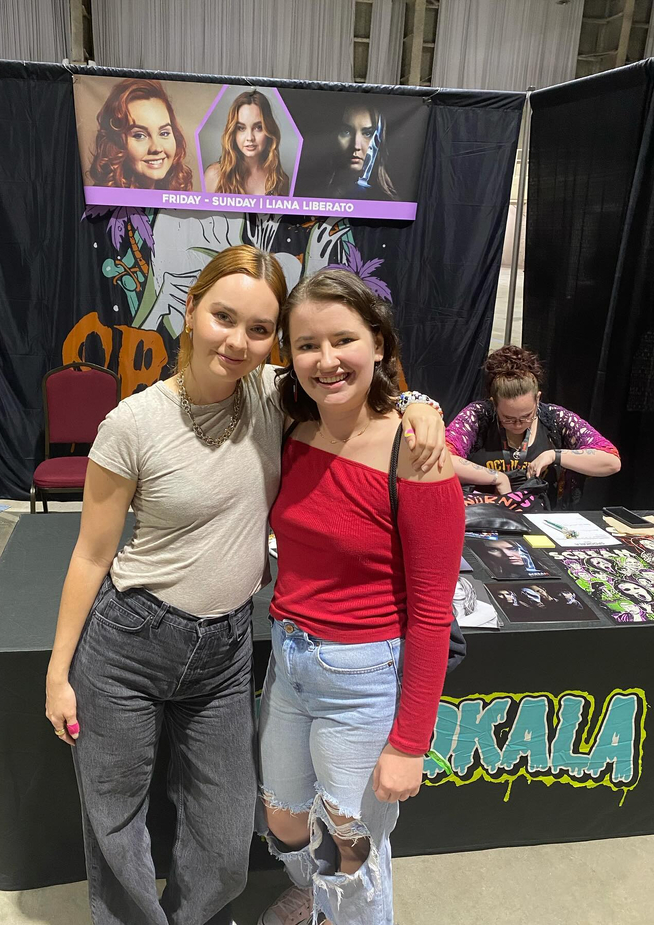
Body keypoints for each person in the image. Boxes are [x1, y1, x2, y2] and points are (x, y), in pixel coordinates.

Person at [45, 246, 445, 925]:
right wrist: (58, 672)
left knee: (229, 833)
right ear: (191, 310)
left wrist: (417, 403)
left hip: (228, 646)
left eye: (260, 329)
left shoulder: (274, 397)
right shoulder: (132, 423)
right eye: (223, 317)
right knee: (115, 820)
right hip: (131, 639)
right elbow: (91, 554)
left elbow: (351, 378)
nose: (237, 341)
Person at [256, 269, 464, 925]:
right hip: (289, 661)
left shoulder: (416, 451)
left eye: (343, 339)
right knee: (285, 819)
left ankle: (342, 906)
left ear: (378, 342)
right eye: (307, 344)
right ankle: (317, 896)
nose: (326, 359)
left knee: (354, 853)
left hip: (363, 675)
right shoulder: (292, 426)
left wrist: (410, 743)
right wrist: (419, 398)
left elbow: (431, 612)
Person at [446, 345, 621, 508]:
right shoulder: (478, 416)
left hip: (540, 520)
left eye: (526, 416)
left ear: (537, 399)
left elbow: (611, 462)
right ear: (494, 404)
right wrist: (498, 478)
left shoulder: (555, 418)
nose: (518, 424)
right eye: (508, 418)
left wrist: (554, 455)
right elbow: (443, 458)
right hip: (484, 516)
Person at [89, 78, 193, 190]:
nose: (156, 148)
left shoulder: (178, 193)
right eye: (139, 135)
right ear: (116, 143)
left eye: (164, 133)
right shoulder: (102, 199)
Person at [204, 90, 290, 196]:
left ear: (269, 130)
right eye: (241, 128)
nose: (250, 138)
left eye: (258, 127)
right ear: (233, 132)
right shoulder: (214, 176)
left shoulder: (281, 180)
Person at [325, 102, 396, 201]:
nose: (356, 145)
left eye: (368, 133)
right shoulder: (312, 193)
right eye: (346, 132)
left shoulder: (392, 204)